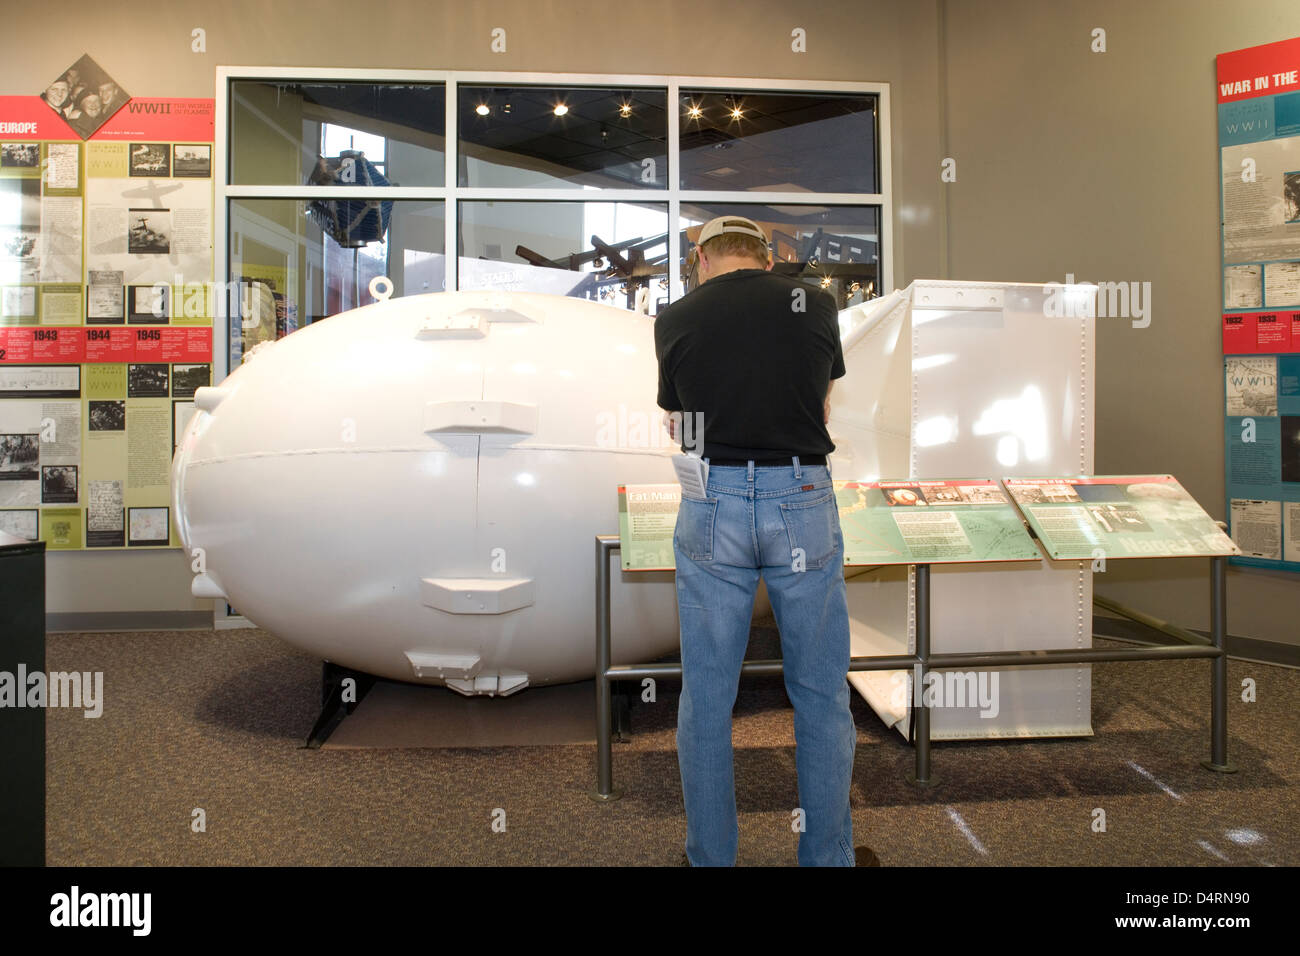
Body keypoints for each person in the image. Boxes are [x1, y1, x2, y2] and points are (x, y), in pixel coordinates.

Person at [654, 215, 858, 866]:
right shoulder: (816, 304)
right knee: (821, 693)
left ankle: (710, 857)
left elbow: (680, 431)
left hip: (713, 504)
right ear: (766, 259)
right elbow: (822, 408)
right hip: (802, 498)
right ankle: (826, 859)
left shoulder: (677, 316)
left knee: (708, 696)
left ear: (703, 259)